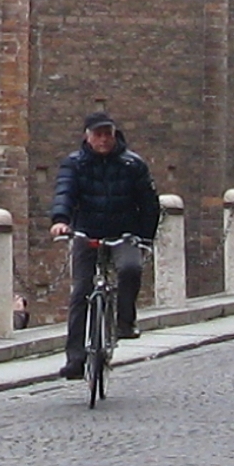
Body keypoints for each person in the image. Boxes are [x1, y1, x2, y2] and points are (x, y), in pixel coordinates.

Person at [49, 110, 160, 380]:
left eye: (107, 134)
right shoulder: (74, 164)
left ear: (114, 134)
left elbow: (149, 203)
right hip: (86, 233)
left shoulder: (132, 165)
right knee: (80, 293)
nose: (103, 140)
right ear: (87, 137)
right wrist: (61, 220)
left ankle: (124, 322)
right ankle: (75, 358)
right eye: (98, 135)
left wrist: (145, 237)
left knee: (131, 268)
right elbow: (65, 192)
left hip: (124, 232)